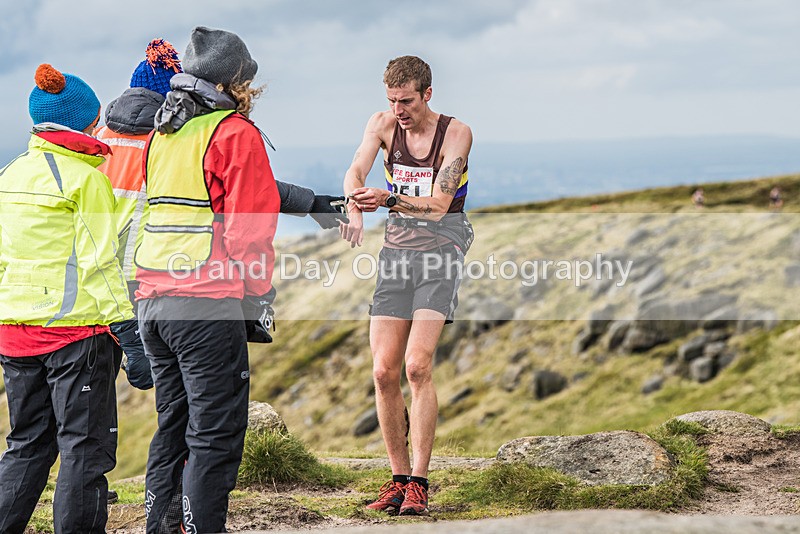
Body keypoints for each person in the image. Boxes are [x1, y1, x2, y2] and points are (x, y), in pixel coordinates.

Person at [96, 38, 348, 392]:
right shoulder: (171, 137)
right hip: (173, 279)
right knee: (204, 410)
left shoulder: (100, 140)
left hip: (107, 287)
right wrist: (257, 293)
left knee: (100, 412)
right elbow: (243, 187)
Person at [133, 26, 291, 533]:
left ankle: (161, 526)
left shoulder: (164, 133)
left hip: (153, 302)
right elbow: (250, 230)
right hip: (206, 304)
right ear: (235, 82)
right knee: (215, 434)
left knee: (173, 425)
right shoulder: (233, 133)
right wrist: (259, 293)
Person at [0, 63, 133, 533]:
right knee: (85, 451)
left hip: (13, 334)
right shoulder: (85, 180)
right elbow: (101, 263)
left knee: (28, 444)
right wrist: (129, 331)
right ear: (85, 123)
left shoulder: (9, 174)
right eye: (95, 119)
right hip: (76, 335)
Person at [341, 55, 473, 516]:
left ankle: (419, 481)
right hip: (396, 254)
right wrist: (356, 202)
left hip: (441, 252)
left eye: (407, 100)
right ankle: (397, 480)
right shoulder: (381, 124)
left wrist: (389, 198)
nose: (399, 109)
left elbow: (439, 205)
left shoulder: (455, 133)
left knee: (417, 366)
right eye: (392, 100)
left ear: (427, 95)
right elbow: (355, 171)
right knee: (382, 371)